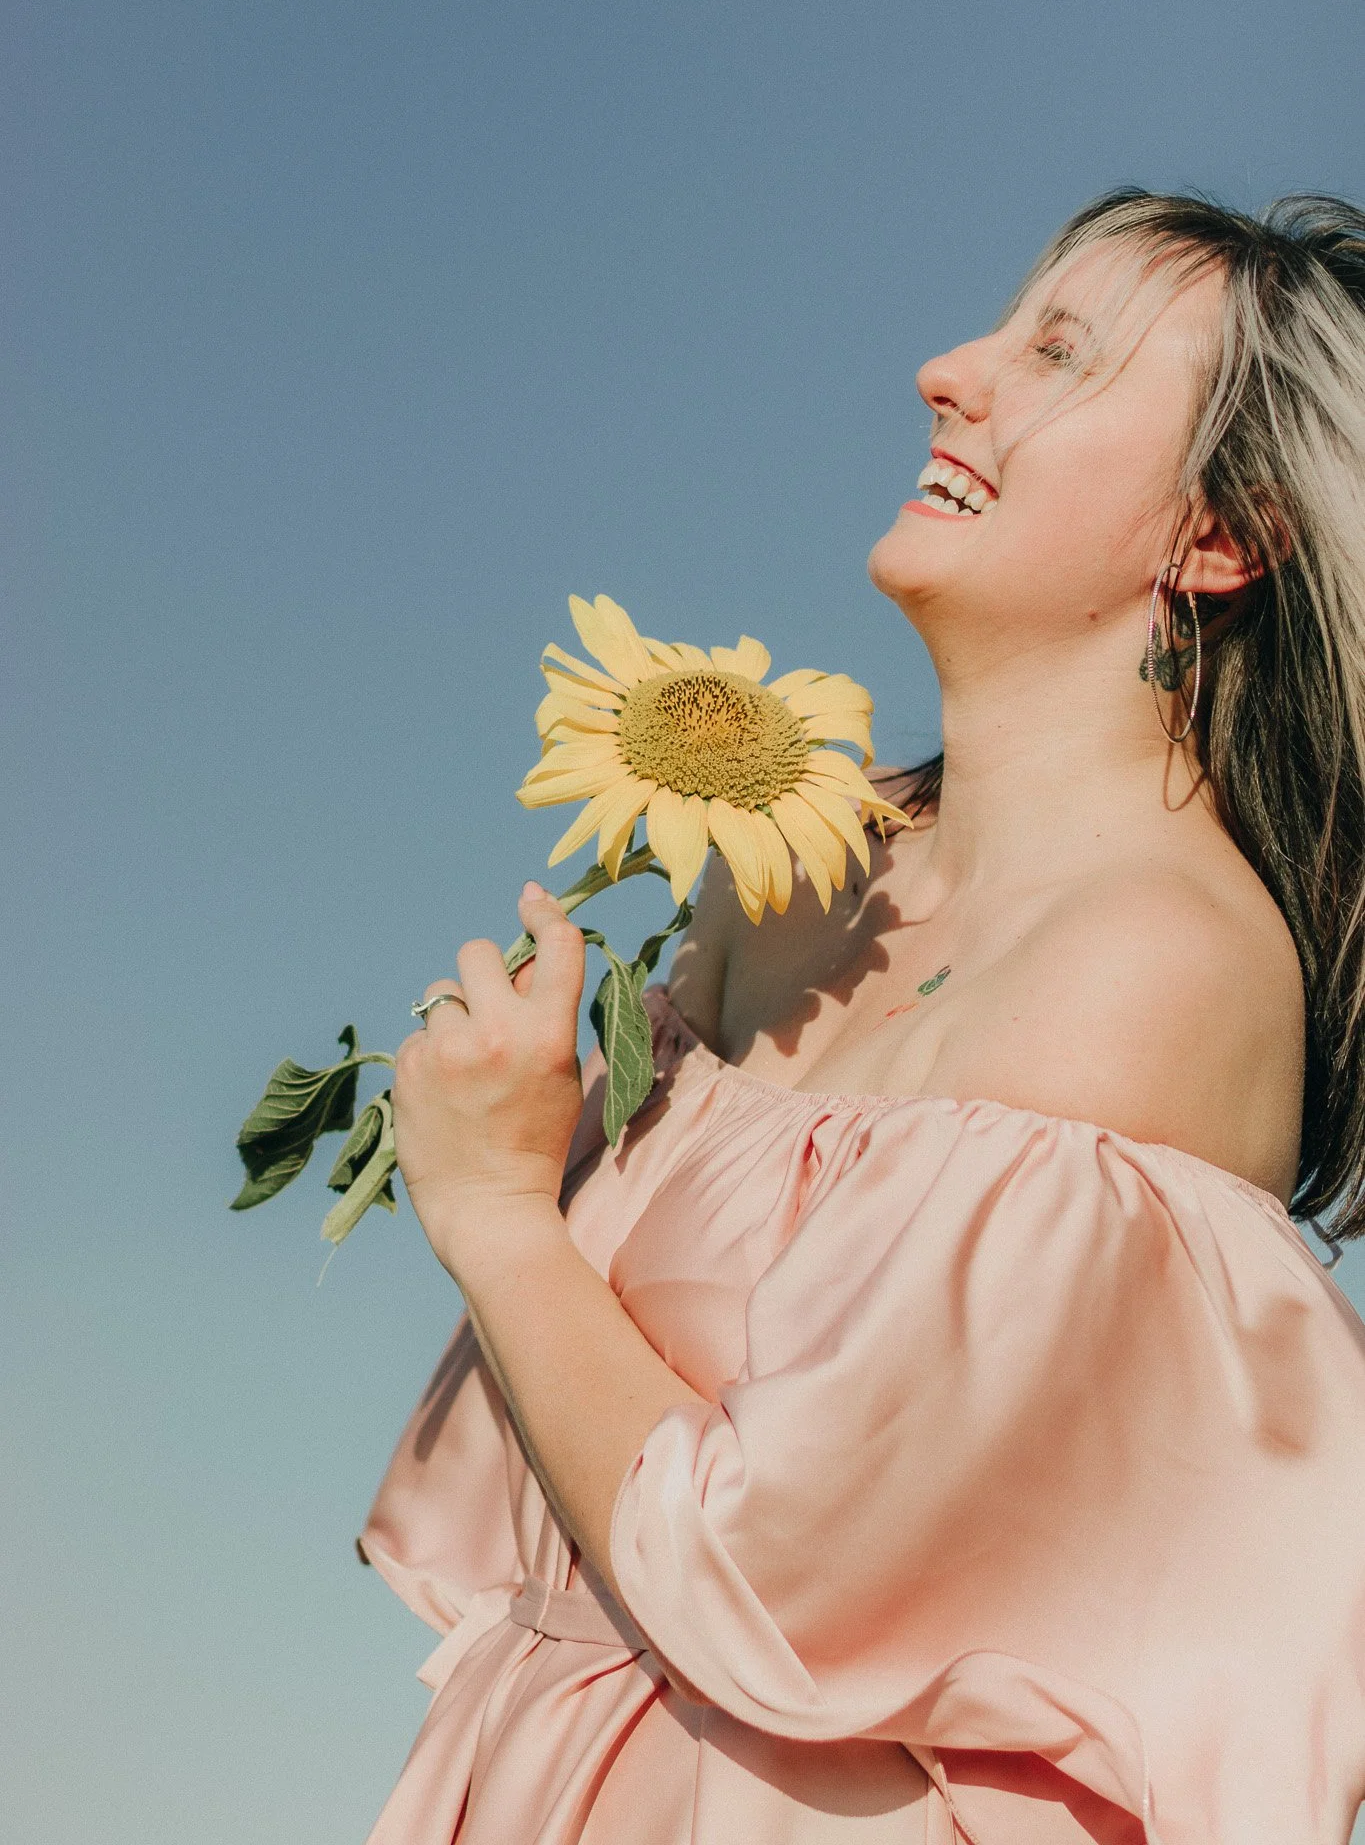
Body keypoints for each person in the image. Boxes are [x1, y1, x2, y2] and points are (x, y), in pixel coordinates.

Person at [358, 191, 1365, 1843]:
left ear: (1217, 536)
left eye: (1062, 353)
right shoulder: (802, 876)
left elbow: (767, 1581)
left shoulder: (1160, 970)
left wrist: (491, 1214)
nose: (945, 372)